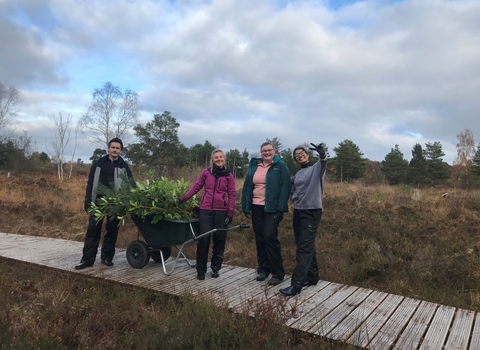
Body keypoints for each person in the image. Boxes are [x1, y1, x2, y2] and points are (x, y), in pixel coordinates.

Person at [75, 137, 135, 270]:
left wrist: (136, 195)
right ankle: (87, 260)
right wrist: (88, 200)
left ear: (120, 151)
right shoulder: (99, 163)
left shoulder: (123, 165)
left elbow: (131, 182)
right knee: (93, 231)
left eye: (117, 148)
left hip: (115, 203)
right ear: (108, 148)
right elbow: (90, 182)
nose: (115, 150)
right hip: (98, 202)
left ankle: (107, 258)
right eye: (113, 147)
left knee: (112, 231)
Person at [179, 149, 236, 280]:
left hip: (221, 211)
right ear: (212, 159)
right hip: (205, 210)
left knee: (219, 240)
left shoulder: (229, 176)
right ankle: (201, 270)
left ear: (224, 159)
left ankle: (215, 268)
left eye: (221, 157)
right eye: (216, 157)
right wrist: (183, 199)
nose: (219, 159)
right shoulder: (206, 172)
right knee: (203, 240)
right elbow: (196, 187)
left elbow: (232, 194)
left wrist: (230, 212)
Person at [279, 143, 327, 296]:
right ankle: (312, 277)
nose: (300, 156)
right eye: (296, 155)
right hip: (299, 211)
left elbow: (323, 161)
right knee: (303, 244)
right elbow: (294, 190)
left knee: (304, 249)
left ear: (307, 154)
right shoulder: (298, 174)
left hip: (311, 211)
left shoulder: (316, 168)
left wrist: (322, 155)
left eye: (302, 153)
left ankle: (296, 285)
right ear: (295, 159)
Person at [241, 142, 291, 286]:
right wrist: (245, 206)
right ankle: (263, 268)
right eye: (264, 151)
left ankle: (278, 272)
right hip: (256, 207)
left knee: (269, 237)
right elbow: (247, 187)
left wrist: (280, 209)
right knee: (260, 238)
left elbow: (285, 188)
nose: (267, 153)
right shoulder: (254, 166)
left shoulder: (280, 166)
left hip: (271, 209)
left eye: (269, 150)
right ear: (261, 152)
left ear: (274, 151)